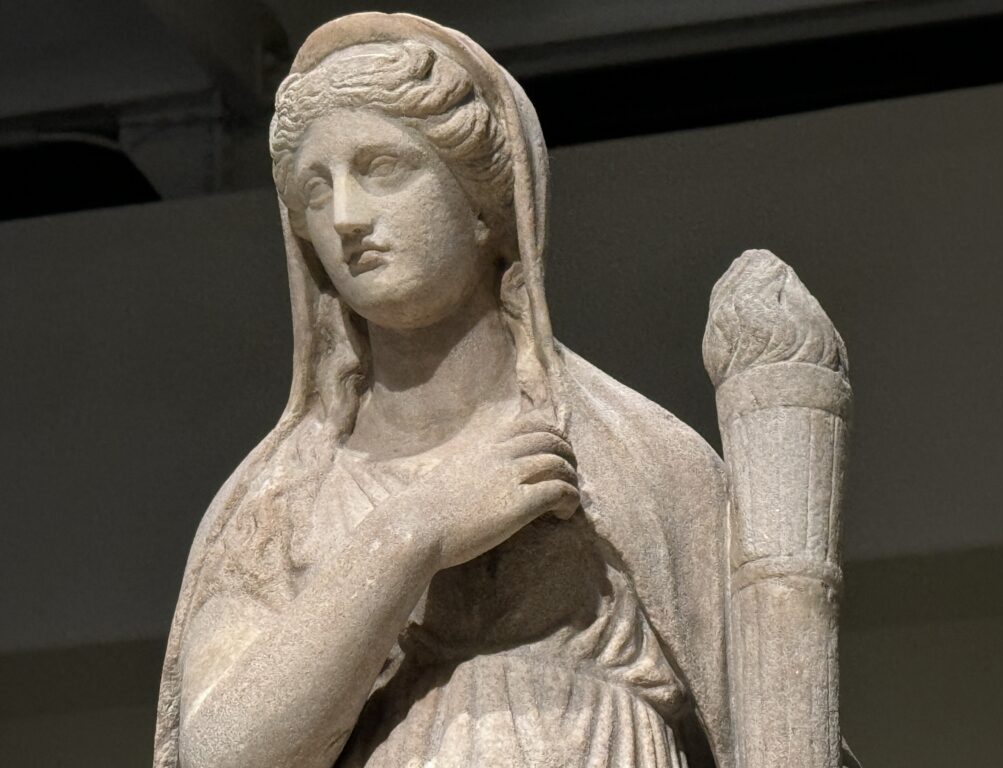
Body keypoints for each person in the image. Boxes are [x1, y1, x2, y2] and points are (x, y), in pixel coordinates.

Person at [154, 13, 735, 768]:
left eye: (383, 168)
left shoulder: (637, 456)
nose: (346, 218)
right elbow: (221, 754)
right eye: (316, 189)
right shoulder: (282, 498)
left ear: (485, 205)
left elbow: (766, 725)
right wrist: (411, 535)